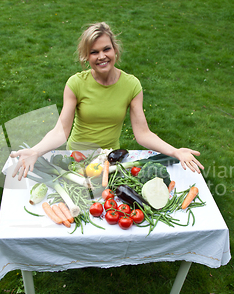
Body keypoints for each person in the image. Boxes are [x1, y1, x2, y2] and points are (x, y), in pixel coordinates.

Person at [11, 22, 204, 180]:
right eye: (94, 52)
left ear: (115, 50)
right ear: (86, 56)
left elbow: (143, 133)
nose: (102, 56)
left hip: (110, 160)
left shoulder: (131, 85)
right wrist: (35, 151)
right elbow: (60, 131)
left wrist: (175, 152)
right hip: (77, 158)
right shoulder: (76, 83)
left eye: (106, 49)